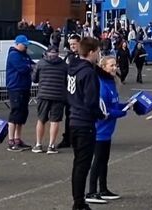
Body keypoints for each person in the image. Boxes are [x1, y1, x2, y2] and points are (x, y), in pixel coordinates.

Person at [67, 37, 106, 210]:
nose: (98, 55)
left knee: (78, 164)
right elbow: (91, 101)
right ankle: (79, 202)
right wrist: (100, 114)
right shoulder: (88, 73)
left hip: (73, 119)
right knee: (83, 164)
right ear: (91, 52)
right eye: (97, 51)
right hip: (84, 122)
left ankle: (78, 199)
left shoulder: (72, 69)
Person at [86, 57, 127, 204]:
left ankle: (103, 189)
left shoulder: (111, 83)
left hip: (108, 131)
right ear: (103, 67)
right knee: (97, 161)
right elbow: (104, 111)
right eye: (111, 65)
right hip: (99, 131)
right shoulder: (102, 85)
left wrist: (127, 105)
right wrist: (121, 112)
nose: (114, 68)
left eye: (115, 65)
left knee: (104, 161)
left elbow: (114, 104)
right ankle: (91, 192)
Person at [31, 46, 68, 154]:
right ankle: (51, 146)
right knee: (54, 121)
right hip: (58, 96)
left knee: (41, 120)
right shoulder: (64, 65)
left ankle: (38, 144)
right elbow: (67, 80)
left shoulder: (41, 63)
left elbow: (34, 79)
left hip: (43, 95)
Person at [6, 35, 33, 152]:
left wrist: (30, 66)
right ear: (17, 44)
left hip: (24, 87)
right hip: (15, 87)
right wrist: (30, 66)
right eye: (24, 44)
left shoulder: (24, 55)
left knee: (22, 114)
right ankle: (11, 140)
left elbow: (32, 65)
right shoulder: (14, 55)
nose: (26, 46)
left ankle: (18, 139)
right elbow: (23, 69)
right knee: (15, 113)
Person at [58, 34, 81, 149]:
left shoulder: (83, 56)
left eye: (74, 44)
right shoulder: (68, 56)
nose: (72, 46)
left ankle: (77, 138)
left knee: (78, 116)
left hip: (79, 91)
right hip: (68, 90)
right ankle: (67, 138)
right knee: (69, 116)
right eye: (71, 44)